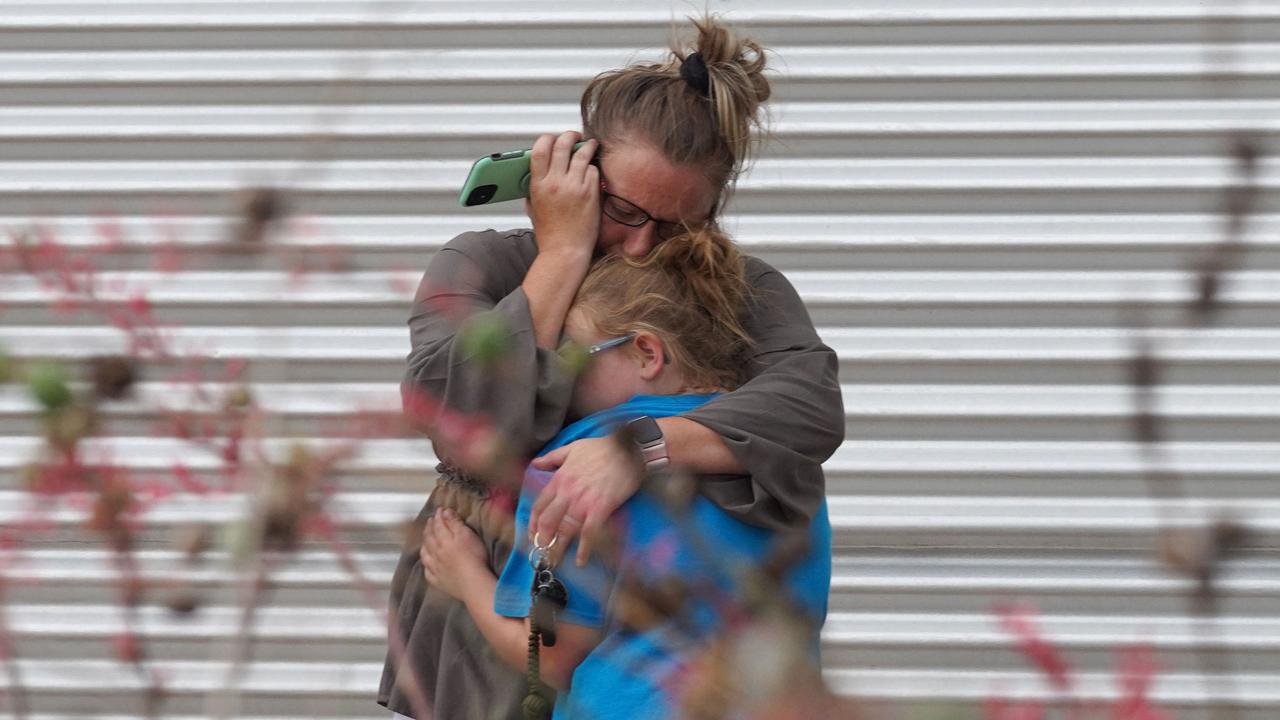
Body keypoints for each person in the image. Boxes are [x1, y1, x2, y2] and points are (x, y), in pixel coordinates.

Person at [379, 14, 843, 720]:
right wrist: (560, 256)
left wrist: (639, 449)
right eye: (622, 209)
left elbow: (807, 406)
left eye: (680, 225)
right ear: (578, 169)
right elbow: (452, 412)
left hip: (636, 635)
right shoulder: (484, 263)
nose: (639, 247)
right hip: (485, 614)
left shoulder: (739, 289)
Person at [420, 230, 831, 720]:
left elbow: (554, 660)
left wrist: (464, 576)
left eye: (574, 357)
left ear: (646, 353)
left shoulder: (576, 462)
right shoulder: (777, 451)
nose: (557, 379)